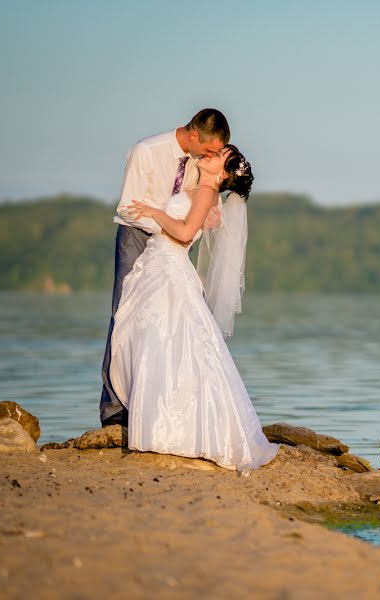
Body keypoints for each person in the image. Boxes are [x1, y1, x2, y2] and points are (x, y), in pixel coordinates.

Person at [109, 145, 279, 471]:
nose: (208, 155)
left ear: (223, 174)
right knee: (165, 346)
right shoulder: (202, 191)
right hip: (161, 265)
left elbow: (186, 234)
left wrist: (155, 212)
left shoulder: (205, 191)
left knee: (164, 344)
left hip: (169, 267)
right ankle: (159, 425)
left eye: (217, 156)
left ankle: (163, 429)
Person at [100, 108, 229, 427]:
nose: (212, 156)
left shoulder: (201, 162)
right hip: (137, 237)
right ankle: (115, 409)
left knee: (167, 321)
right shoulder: (146, 151)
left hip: (174, 248)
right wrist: (169, 227)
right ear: (194, 135)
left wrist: (190, 228)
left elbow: (204, 211)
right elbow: (127, 208)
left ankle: (156, 401)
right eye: (210, 149)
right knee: (125, 315)